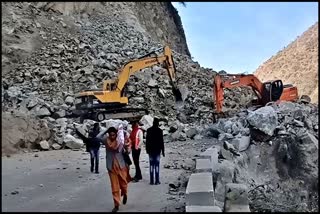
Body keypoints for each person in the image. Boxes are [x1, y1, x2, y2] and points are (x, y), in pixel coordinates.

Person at [105, 127, 129, 212]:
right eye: (110, 135)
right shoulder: (106, 141)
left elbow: (126, 137)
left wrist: (121, 131)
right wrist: (106, 130)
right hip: (111, 167)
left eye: (113, 135)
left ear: (116, 134)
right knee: (114, 187)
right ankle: (116, 205)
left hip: (121, 165)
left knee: (123, 183)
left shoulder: (120, 140)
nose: (112, 137)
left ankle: (125, 193)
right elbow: (98, 136)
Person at [146, 118, 165, 185]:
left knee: (151, 165)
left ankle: (151, 181)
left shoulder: (149, 130)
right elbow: (161, 142)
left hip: (150, 151)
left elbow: (147, 141)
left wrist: (147, 150)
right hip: (157, 151)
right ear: (158, 123)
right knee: (157, 165)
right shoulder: (160, 131)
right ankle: (157, 181)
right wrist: (163, 151)